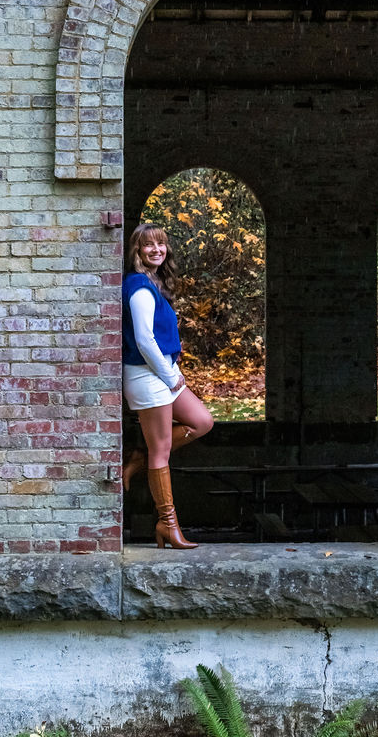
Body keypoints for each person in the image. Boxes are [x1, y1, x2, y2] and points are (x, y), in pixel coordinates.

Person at [122, 223, 213, 549]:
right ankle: (167, 524)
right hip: (148, 376)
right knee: (162, 453)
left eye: (160, 244)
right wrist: (171, 375)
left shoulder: (152, 283)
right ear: (137, 250)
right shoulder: (140, 287)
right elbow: (145, 341)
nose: (156, 250)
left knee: (202, 421)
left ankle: (139, 456)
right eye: (149, 245)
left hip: (163, 373)